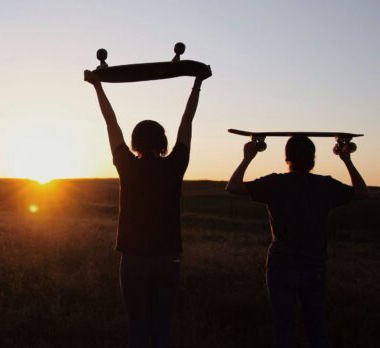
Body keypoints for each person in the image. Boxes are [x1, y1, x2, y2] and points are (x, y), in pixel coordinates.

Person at [84, 66, 211, 347]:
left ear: (134, 142)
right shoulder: (176, 164)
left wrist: (98, 86)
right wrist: (197, 83)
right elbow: (187, 122)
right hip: (168, 259)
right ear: (164, 142)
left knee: (138, 332)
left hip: (134, 259)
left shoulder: (127, 165)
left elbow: (111, 123)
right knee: (162, 330)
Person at [226, 136, 368, 347]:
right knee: (317, 330)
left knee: (284, 332)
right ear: (313, 159)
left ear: (287, 158)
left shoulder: (275, 183)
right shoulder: (324, 185)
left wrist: (248, 157)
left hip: (281, 266)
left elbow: (233, 186)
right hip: (314, 267)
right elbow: (362, 192)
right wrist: (346, 159)